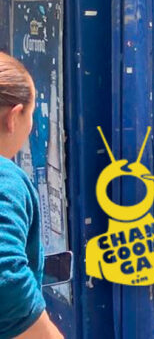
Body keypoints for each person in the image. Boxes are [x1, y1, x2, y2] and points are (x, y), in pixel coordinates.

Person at [0, 52, 63, 338]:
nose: (32, 128)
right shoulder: (5, 178)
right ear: (13, 117)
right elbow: (5, 276)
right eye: (32, 114)